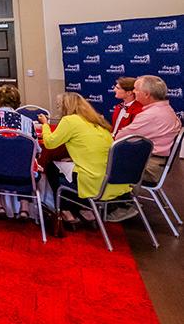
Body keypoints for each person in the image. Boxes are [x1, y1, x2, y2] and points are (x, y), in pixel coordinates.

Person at [40, 93, 129, 227]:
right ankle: (85, 208)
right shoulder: (97, 121)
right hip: (112, 177)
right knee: (66, 165)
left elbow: (50, 143)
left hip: (93, 180)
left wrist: (45, 125)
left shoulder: (70, 120)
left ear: (65, 107)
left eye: (59, 106)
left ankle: (66, 210)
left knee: (52, 167)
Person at [0, 84, 39, 220]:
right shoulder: (27, 122)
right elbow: (37, 150)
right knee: (25, 161)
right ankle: (24, 207)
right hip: (23, 173)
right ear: (17, 103)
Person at [117, 75, 181, 184]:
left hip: (147, 167)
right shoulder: (167, 110)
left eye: (136, 89)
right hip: (155, 163)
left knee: (95, 162)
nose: (133, 91)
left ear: (146, 94)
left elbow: (119, 139)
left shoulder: (150, 115)